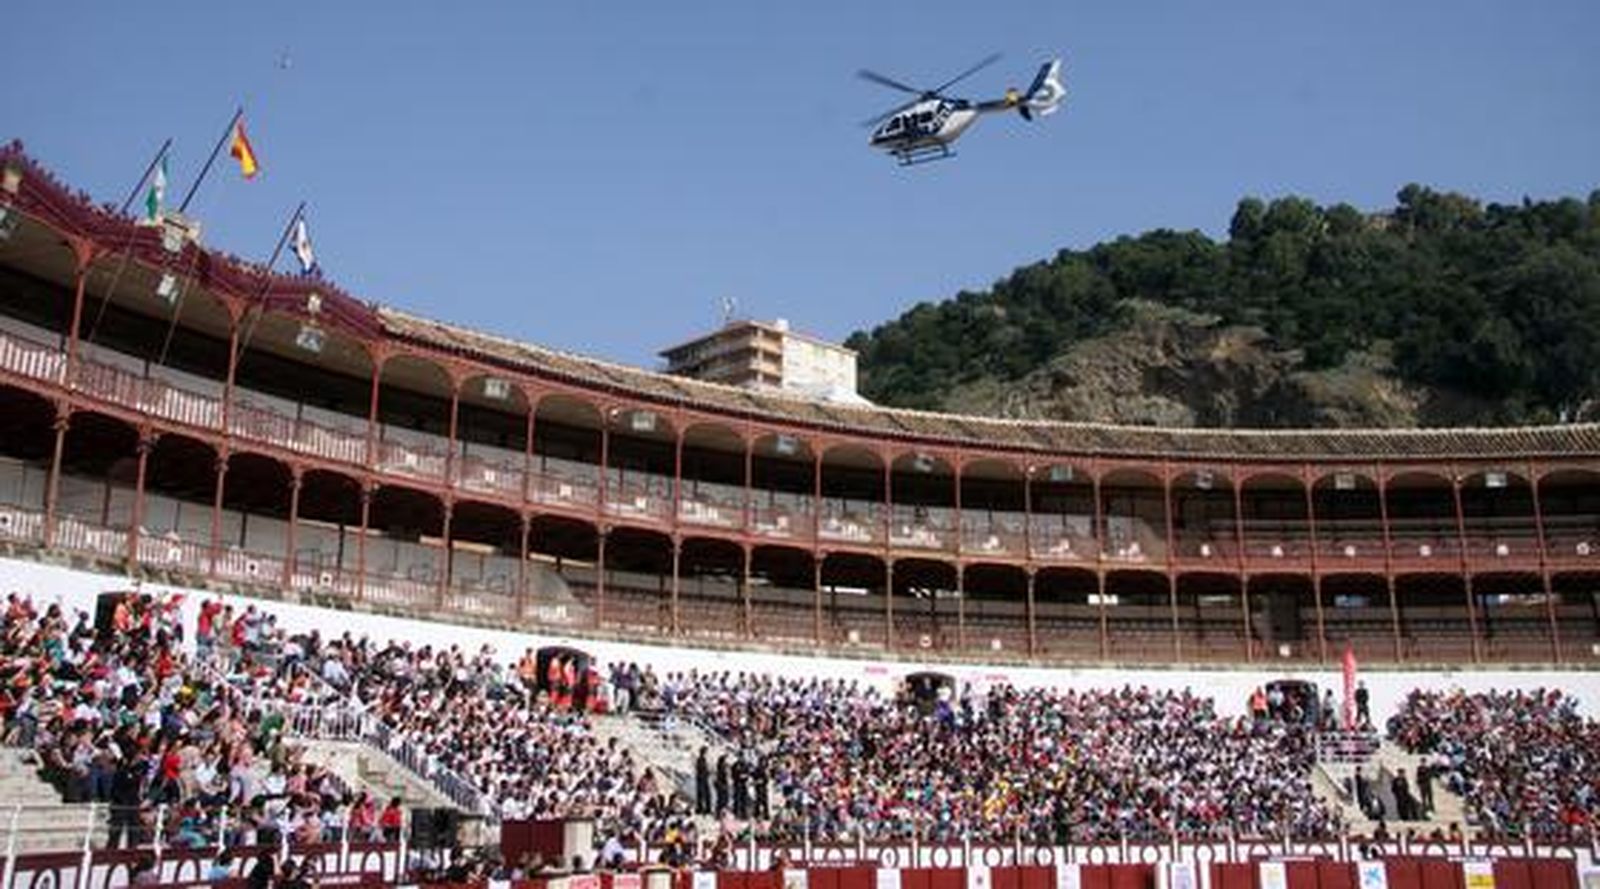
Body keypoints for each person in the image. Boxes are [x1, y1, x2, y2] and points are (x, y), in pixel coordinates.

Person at [695, 747, 711, 816]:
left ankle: (706, 808)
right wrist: (707, 772)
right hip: (701, 779)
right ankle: (701, 808)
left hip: (704, 778)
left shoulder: (703, 760)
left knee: (706, 794)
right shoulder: (700, 760)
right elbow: (701, 769)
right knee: (702, 794)